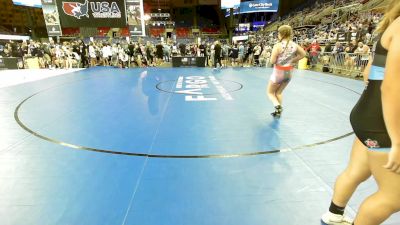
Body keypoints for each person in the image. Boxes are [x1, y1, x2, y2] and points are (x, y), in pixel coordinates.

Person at [321, 1, 400, 224]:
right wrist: (397, 140)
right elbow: (392, 88)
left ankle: (334, 214)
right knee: (393, 197)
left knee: (357, 171)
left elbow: (369, 74)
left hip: (368, 116)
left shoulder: (392, 26)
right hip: (382, 123)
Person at [267, 25, 306, 118]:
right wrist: (292, 60)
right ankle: (278, 113)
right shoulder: (294, 45)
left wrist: (276, 59)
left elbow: (272, 61)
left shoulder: (278, 46)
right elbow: (303, 54)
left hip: (278, 72)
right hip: (288, 73)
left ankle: (278, 106)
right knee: (279, 93)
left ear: (281, 34)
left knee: (270, 93)